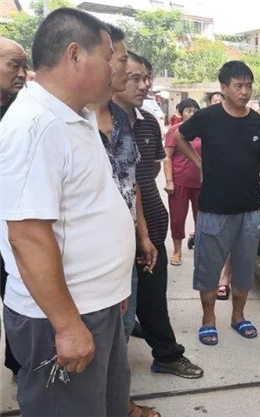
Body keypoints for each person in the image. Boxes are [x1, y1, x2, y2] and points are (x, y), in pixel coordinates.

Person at [0, 9, 134, 416]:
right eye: (108, 57)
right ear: (75, 54)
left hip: (96, 304)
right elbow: (27, 236)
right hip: (63, 316)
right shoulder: (36, 125)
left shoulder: (78, 116)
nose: (115, 68)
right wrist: (67, 325)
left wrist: (111, 288)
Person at [113, 52, 204, 379]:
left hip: (151, 222)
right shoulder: (100, 122)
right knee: (119, 301)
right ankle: (114, 373)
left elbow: (148, 170)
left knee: (153, 292)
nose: (144, 85)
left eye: (147, 78)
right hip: (118, 229)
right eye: (135, 78)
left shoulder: (149, 121)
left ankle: (164, 354)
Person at [173, 60, 260, 346]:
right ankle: (208, 319)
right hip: (213, 209)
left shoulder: (257, 121)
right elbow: (179, 136)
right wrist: (199, 163)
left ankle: (238, 316)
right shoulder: (208, 117)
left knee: (243, 268)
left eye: (248, 86)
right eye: (238, 86)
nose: (245, 92)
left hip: (249, 211)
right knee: (208, 269)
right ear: (223, 87)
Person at [87, 25, 161, 417]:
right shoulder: (71, 119)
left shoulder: (122, 120)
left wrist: (142, 236)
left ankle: (117, 403)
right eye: (119, 62)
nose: (134, 79)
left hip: (124, 247)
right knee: (90, 338)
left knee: (122, 327)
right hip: (87, 258)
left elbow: (131, 185)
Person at [0, 36, 27, 381]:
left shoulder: (24, 110)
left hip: (13, 225)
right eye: (13, 65)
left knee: (16, 295)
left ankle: (19, 363)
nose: (21, 73)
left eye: (24, 65)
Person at [164, 98, 202, 265]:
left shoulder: (204, 130)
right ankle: (177, 251)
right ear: (181, 113)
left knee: (202, 219)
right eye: (188, 110)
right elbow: (167, 158)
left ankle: (201, 250)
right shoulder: (174, 130)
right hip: (179, 182)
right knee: (177, 219)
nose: (192, 113)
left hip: (201, 183)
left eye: (195, 110)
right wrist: (169, 181)